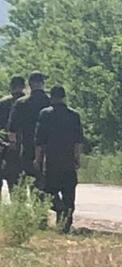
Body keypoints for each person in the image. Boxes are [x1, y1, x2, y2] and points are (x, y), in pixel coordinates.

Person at [34, 86, 83, 233]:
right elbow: (78, 141)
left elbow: (39, 141)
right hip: (68, 160)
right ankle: (65, 226)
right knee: (69, 193)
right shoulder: (74, 115)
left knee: (48, 191)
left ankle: (59, 207)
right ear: (64, 97)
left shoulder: (45, 114)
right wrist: (77, 158)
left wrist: (38, 160)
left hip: (51, 160)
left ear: (51, 97)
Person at [8, 71, 51, 186]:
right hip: (49, 148)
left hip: (28, 146)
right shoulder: (51, 102)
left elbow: (12, 130)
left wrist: (13, 145)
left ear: (29, 84)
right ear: (43, 83)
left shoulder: (21, 103)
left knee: (30, 178)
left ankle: (34, 199)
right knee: (47, 180)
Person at [0, 75, 27, 193]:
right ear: (24, 86)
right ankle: (20, 205)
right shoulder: (28, 101)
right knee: (22, 180)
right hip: (26, 147)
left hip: (5, 146)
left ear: (11, 86)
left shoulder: (3, 103)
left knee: (7, 177)